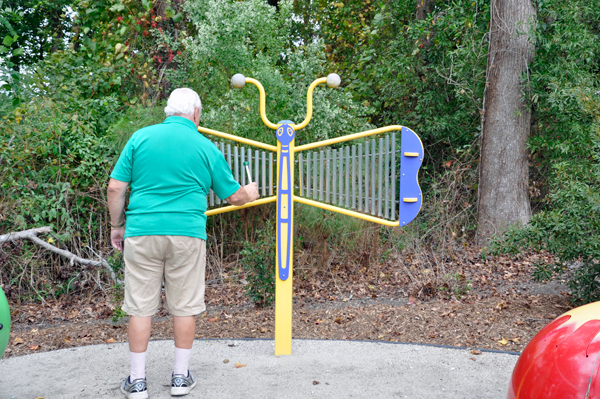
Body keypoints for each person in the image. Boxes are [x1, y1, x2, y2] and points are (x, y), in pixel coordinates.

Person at [107, 88, 259, 399]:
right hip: (187, 234)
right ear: (196, 113)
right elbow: (235, 197)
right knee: (184, 306)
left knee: (140, 307)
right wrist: (251, 192)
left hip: (142, 231)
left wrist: (117, 226)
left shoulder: (140, 138)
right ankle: (179, 379)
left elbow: (115, 187)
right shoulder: (205, 146)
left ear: (168, 111)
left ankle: (137, 382)